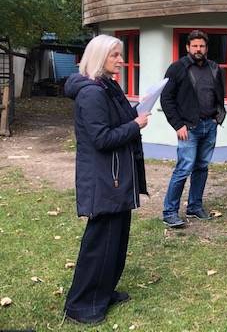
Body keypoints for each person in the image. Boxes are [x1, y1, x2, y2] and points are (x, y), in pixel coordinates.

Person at [63, 35, 150, 325]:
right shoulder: (92, 93)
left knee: (116, 240)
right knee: (100, 243)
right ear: (100, 57)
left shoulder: (107, 86)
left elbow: (118, 121)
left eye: (120, 55)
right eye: (115, 55)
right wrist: (135, 125)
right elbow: (102, 138)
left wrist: (136, 114)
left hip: (116, 176)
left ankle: (103, 291)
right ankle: (81, 306)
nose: (121, 60)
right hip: (104, 178)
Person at [161, 29, 226, 227]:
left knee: (202, 167)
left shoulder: (214, 67)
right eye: (195, 46)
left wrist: (217, 116)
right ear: (188, 47)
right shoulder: (177, 68)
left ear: (206, 48)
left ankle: (195, 206)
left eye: (202, 46)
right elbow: (166, 99)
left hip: (210, 126)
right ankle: (169, 212)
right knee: (184, 168)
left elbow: (219, 93)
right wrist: (178, 125)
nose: (198, 49)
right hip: (188, 128)